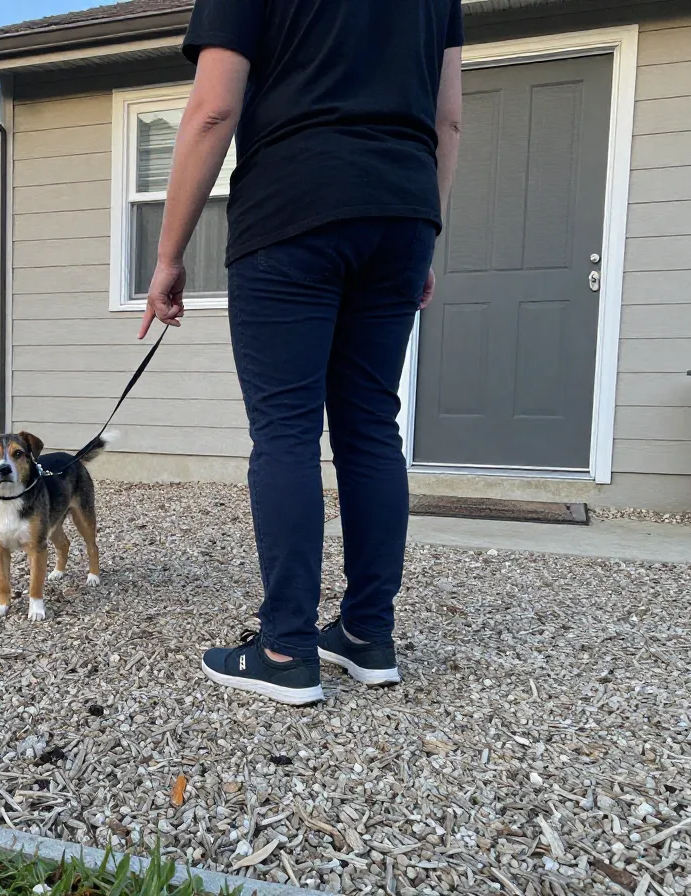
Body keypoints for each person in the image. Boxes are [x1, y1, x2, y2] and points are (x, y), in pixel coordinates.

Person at [138, 0, 465, 705]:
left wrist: (167, 255)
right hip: (402, 212)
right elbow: (449, 121)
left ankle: (286, 647)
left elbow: (211, 113)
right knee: (372, 428)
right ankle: (368, 636)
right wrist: (423, 235)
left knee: (286, 430)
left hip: (293, 205)